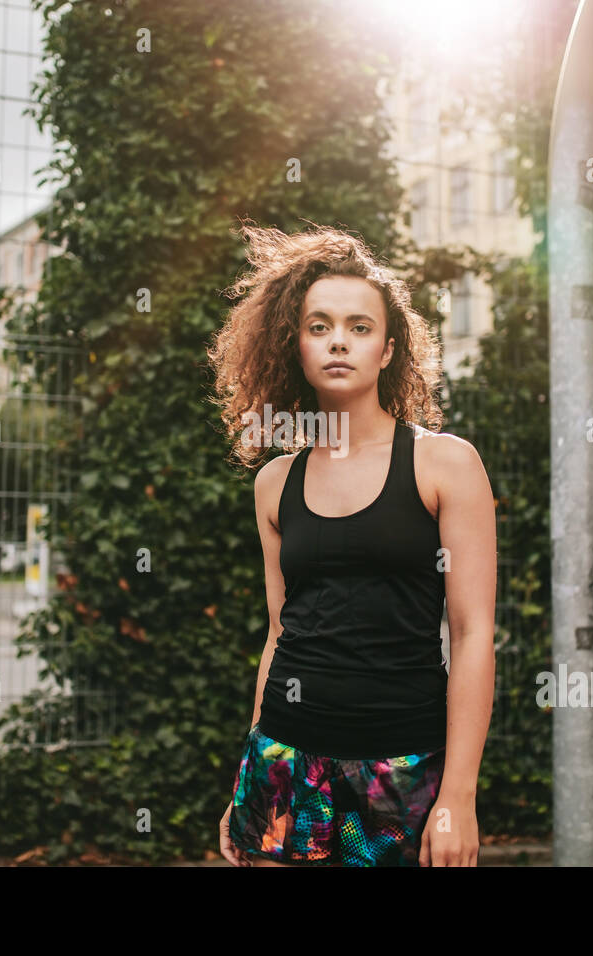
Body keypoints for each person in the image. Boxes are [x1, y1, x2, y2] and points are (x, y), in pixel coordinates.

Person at [206, 223, 496, 867]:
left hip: (402, 769)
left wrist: (458, 796)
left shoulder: (443, 464)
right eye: (319, 326)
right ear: (296, 345)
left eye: (360, 327)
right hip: (284, 760)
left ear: (389, 350)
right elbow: (281, 632)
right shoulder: (274, 483)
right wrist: (252, 775)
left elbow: (473, 632)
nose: (339, 340)